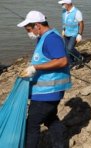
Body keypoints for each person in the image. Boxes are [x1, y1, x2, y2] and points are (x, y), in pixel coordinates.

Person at [17, 11, 71, 148]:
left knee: (32, 125)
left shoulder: (51, 39)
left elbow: (62, 61)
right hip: (46, 90)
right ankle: (60, 145)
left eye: (29, 30)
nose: (28, 33)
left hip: (47, 92)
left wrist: (35, 68)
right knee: (50, 119)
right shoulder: (43, 37)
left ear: (37, 25)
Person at [58, 0, 84, 67]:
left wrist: (79, 34)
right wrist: (63, 30)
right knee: (66, 49)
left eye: (63, 4)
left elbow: (81, 23)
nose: (62, 6)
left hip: (74, 34)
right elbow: (64, 22)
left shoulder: (77, 12)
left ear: (67, 4)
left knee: (70, 48)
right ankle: (71, 62)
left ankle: (79, 57)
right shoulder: (64, 11)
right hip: (66, 33)